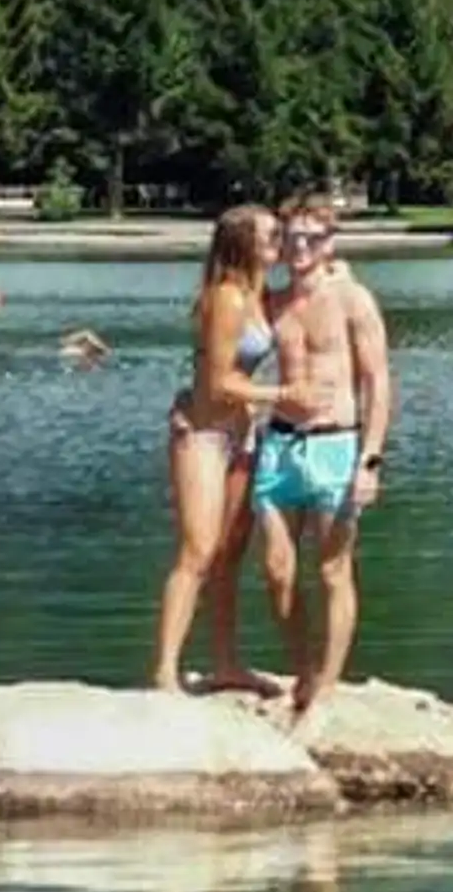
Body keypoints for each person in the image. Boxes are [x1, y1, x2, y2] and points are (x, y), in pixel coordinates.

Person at [251, 207, 392, 724]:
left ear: (330, 243)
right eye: (291, 238)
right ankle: (303, 672)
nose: (301, 247)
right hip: (281, 445)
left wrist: (370, 460)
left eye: (312, 238)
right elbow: (222, 342)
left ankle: (327, 688)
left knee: (333, 570)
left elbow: (377, 382)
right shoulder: (274, 302)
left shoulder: (353, 300)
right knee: (276, 570)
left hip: (337, 444)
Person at [152, 203, 287, 695]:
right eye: (272, 234)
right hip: (203, 434)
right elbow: (217, 383)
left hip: (242, 434)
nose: (281, 240)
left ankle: (226, 664)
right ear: (244, 242)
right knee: (198, 551)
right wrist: (283, 395)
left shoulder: (259, 293)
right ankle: (166, 670)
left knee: (231, 553)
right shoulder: (226, 298)